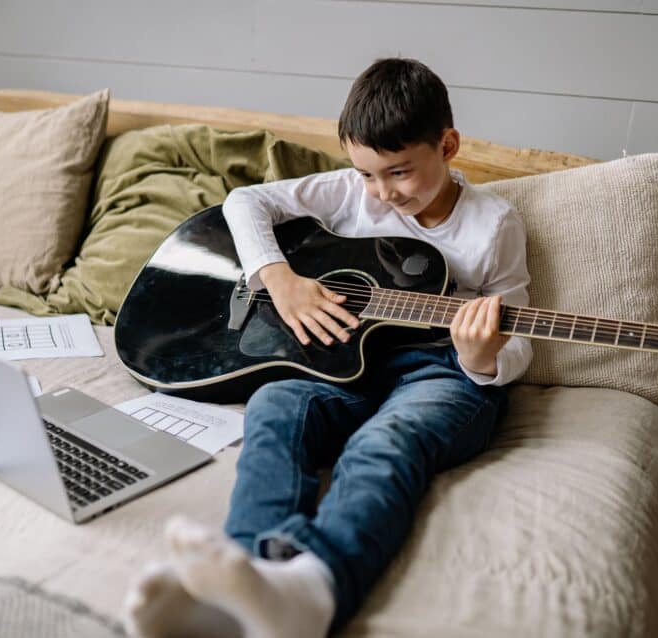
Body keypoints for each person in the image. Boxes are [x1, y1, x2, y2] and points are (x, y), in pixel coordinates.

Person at [124, 57, 532, 638]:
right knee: (273, 408)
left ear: (448, 145)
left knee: (386, 441)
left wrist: (483, 356)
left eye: (399, 172)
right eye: (367, 174)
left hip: (442, 370)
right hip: (343, 363)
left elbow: (519, 335)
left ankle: (313, 590)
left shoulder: (494, 225)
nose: (383, 193)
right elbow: (245, 202)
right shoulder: (351, 194)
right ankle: (248, 585)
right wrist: (279, 278)